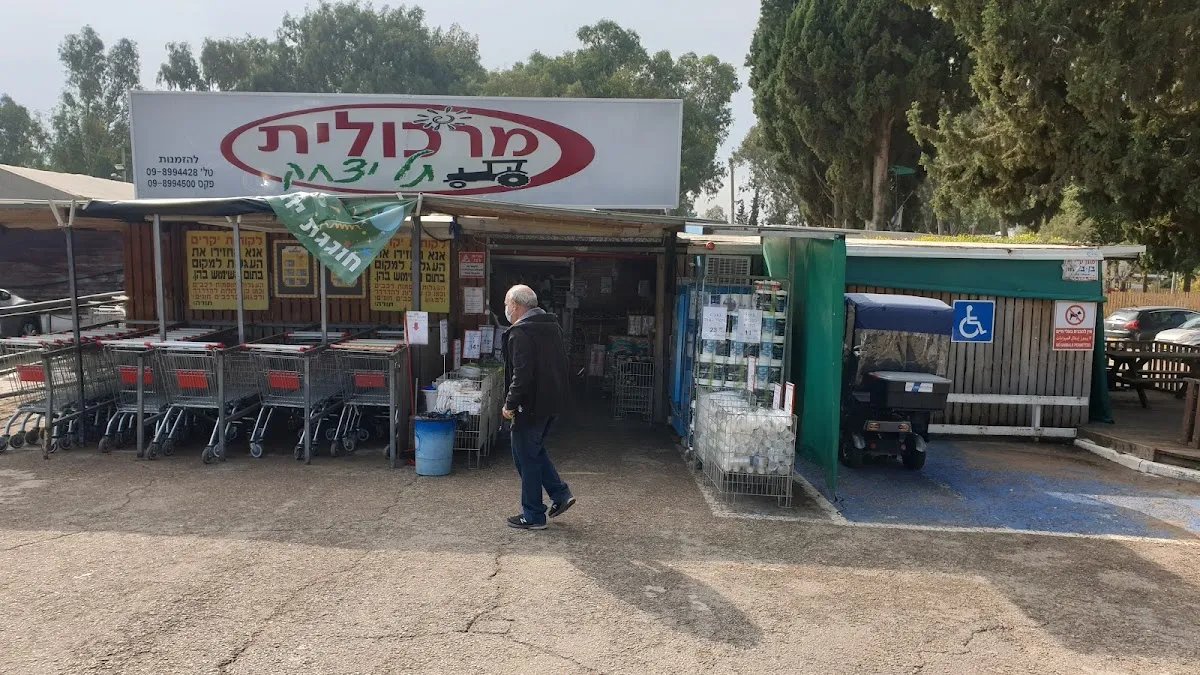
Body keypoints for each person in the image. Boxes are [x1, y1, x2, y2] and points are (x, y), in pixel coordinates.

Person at [501, 284, 576, 530]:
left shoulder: (521, 332)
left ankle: (533, 514)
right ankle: (560, 494)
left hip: (530, 405)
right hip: (552, 402)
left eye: (506, 304)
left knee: (525, 457)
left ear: (515, 305)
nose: (506, 309)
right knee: (534, 451)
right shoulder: (551, 326)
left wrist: (510, 403)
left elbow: (521, 375)